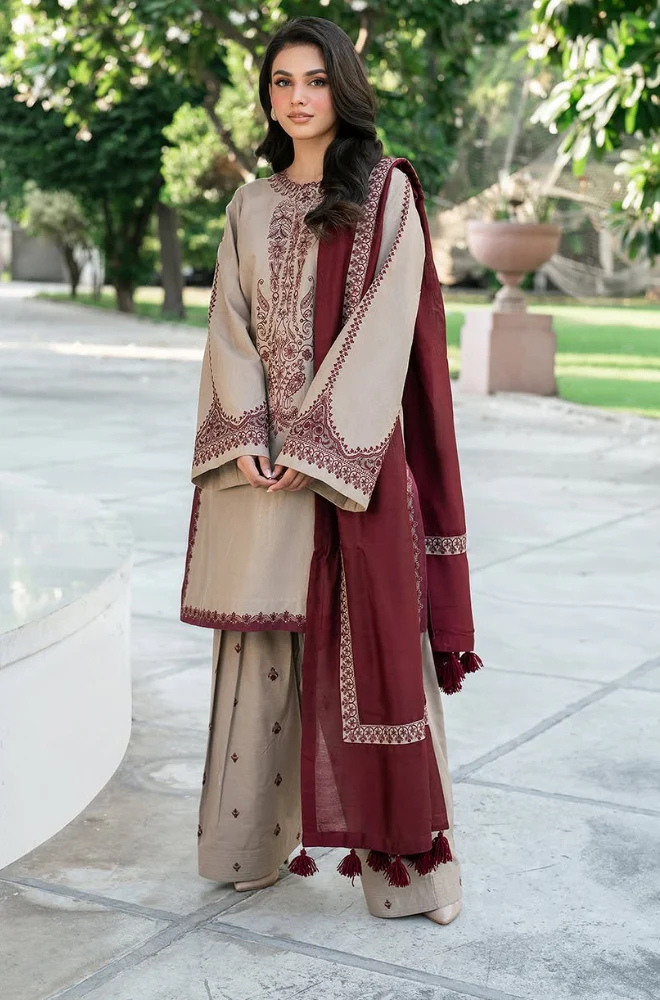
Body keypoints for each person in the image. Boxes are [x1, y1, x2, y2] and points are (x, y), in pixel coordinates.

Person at [180, 15, 481, 925]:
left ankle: (410, 869)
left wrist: (311, 444)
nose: (298, 97)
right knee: (261, 642)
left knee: (371, 648)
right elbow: (228, 328)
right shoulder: (249, 204)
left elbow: (388, 325)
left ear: (340, 87)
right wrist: (251, 435)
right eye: (281, 83)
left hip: (350, 462)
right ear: (267, 96)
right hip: (260, 461)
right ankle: (251, 847)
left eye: (314, 80)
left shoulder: (385, 193)